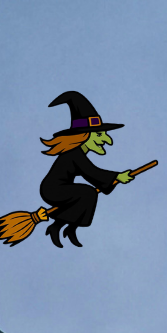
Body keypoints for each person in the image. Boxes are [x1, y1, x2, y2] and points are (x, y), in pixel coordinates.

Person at [37, 91, 136, 248]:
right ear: (84, 135)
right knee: (87, 193)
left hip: (60, 188)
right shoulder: (74, 153)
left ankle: (69, 227)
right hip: (53, 189)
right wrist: (117, 177)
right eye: (99, 134)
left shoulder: (78, 153)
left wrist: (114, 179)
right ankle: (58, 226)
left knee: (87, 195)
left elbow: (92, 174)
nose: (107, 140)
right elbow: (91, 172)